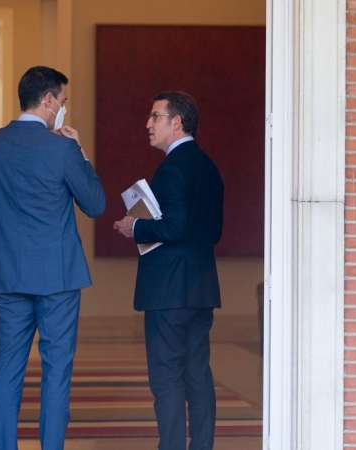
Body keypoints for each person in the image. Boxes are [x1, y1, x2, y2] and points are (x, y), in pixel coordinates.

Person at [0, 66, 106, 450]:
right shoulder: (63, 149)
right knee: (56, 371)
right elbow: (95, 204)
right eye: (62, 101)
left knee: (7, 368)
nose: (62, 108)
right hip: (58, 278)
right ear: (47, 100)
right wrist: (81, 154)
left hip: (9, 276)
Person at [113, 91, 224, 450]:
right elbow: (213, 231)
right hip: (202, 287)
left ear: (176, 123)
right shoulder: (209, 166)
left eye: (155, 117)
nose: (148, 124)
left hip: (168, 292)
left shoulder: (173, 168)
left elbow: (174, 227)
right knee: (198, 376)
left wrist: (136, 228)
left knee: (167, 379)